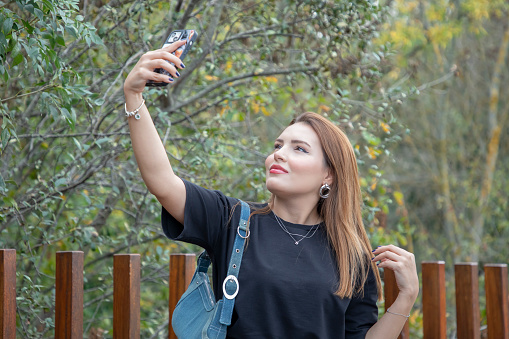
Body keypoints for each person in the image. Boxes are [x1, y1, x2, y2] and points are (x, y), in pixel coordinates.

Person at [124, 39, 419, 338]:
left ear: (328, 174)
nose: (279, 153)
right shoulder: (234, 220)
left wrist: (406, 297)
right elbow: (162, 181)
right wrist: (134, 96)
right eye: (278, 145)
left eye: (299, 149)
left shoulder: (351, 254)